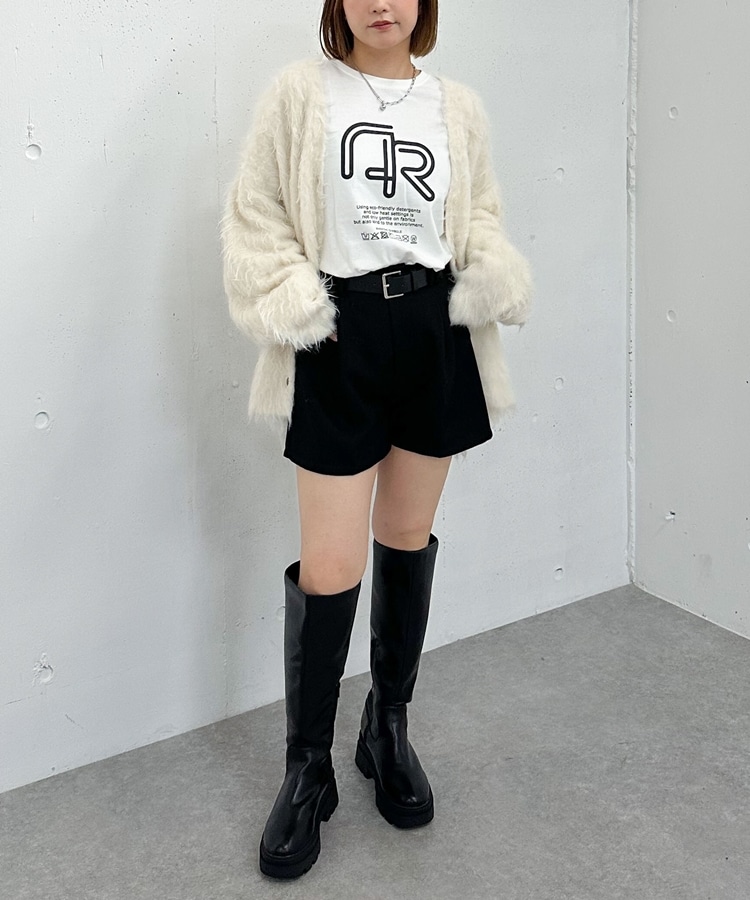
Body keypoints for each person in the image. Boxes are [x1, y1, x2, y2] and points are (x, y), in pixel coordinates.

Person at [220, 0, 532, 880]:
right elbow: (256, 213)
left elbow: (477, 214)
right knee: (331, 562)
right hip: (338, 331)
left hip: (433, 330)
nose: (382, 3)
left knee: (405, 536)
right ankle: (307, 767)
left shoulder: (455, 106)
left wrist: (492, 267)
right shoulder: (300, 93)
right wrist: (292, 300)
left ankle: (386, 726)